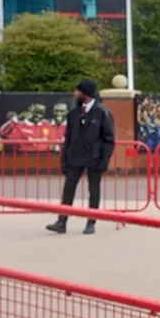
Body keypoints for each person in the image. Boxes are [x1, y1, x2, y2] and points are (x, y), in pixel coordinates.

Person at [45, 78, 115, 235]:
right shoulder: (73, 114)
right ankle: (61, 221)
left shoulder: (102, 113)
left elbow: (109, 140)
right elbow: (68, 138)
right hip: (75, 157)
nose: (74, 93)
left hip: (94, 158)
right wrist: (64, 160)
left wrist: (104, 161)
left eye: (78, 91)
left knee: (94, 190)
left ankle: (91, 222)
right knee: (68, 190)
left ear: (86, 93)